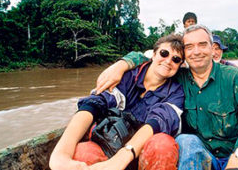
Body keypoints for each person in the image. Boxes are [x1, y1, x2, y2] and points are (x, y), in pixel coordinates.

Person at [95, 24, 238, 170]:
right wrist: (121, 64)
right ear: (184, 55)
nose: (197, 51)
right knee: (185, 140)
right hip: (203, 156)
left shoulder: (233, 77)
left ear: (213, 49)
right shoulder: (178, 76)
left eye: (203, 45)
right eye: (189, 47)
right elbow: (151, 57)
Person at [49, 34, 185, 170]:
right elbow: (96, 103)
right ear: (153, 54)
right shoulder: (126, 75)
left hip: (144, 153)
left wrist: (123, 157)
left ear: (179, 65)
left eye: (176, 59)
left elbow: (159, 121)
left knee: (162, 144)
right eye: (164, 53)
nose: (168, 61)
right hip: (111, 144)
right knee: (83, 153)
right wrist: (61, 152)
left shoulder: (176, 92)